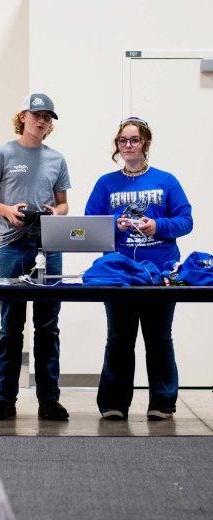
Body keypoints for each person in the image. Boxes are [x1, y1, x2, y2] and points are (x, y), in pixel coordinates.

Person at [85, 117, 193, 420]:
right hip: (118, 273)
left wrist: (157, 226)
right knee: (119, 338)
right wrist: (114, 226)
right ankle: (113, 404)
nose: (128, 145)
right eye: (122, 140)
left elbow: (186, 220)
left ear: (145, 142)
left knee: (159, 338)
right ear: (117, 145)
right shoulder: (106, 183)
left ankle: (162, 403)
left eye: (134, 139)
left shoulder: (166, 180)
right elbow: (89, 226)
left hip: (160, 272)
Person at [0, 93, 70, 421]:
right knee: (10, 326)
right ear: (24, 116)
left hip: (48, 248)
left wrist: (55, 213)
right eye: (36, 114)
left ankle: (49, 400)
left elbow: (63, 205)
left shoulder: (56, 159)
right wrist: (7, 210)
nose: (41, 121)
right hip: (11, 248)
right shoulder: (2, 153)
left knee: (48, 328)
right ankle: (4, 399)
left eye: (47, 116)